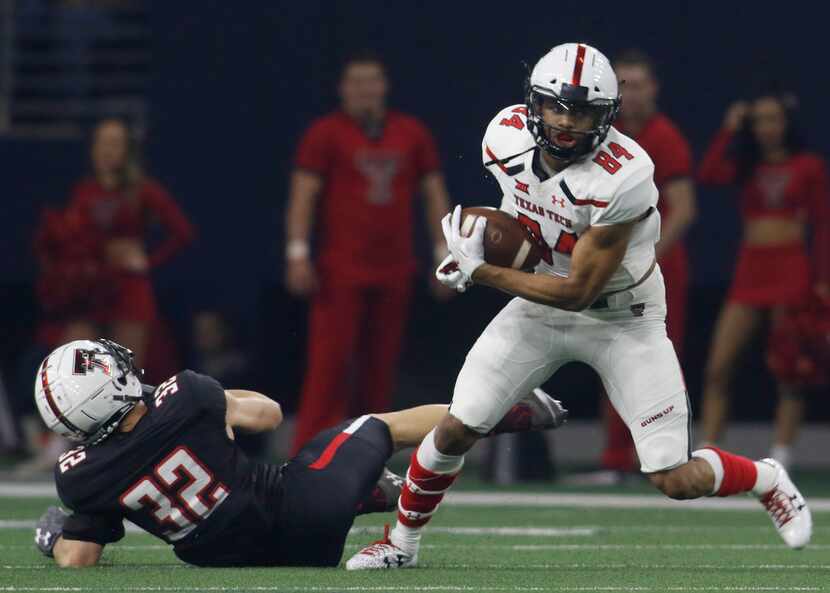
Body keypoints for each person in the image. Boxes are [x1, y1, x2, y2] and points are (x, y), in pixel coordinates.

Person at [346, 43, 812, 570]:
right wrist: (477, 250)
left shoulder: (625, 174)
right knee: (458, 425)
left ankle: (766, 477)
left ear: (607, 116)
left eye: (584, 111)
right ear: (533, 104)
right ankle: (402, 545)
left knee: (673, 478)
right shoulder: (505, 135)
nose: (567, 122)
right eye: (556, 107)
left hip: (621, 317)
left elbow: (579, 293)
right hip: (538, 302)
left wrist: (485, 271)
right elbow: (520, 212)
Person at [32, 338, 566, 568]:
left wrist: (56, 534)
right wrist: (218, 406)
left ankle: (376, 492)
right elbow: (268, 415)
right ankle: (514, 412)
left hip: (232, 560)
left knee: (316, 469)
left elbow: (80, 559)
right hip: (305, 510)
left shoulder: (81, 478)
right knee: (379, 425)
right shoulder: (185, 396)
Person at [285, 51, 453, 455]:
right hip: (340, 269)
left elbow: (433, 195)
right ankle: (309, 452)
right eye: (356, 82)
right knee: (330, 366)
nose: (365, 91)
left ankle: (365, 454)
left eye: (372, 81)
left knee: (380, 369)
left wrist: (444, 252)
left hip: (394, 268)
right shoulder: (324, 133)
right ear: (343, 89)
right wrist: (297, 252)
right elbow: (303, 195)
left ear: (384, 86)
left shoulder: (411, 133)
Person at [697, 91, 830, 468]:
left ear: (786, 122)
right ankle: (710, 454)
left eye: (773, 119)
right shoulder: (746, 165)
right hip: (751, 270)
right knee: (718, 366)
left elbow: (823, 226)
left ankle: (781, 457)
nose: (767, 128)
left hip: (792, 271)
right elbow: (709, 173)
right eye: (759, 121)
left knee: (790, 368)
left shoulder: (809, 165)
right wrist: (729, 127)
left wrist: (823, 282)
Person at [594, 49, 698, 476]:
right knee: (610, 357)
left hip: (659, 267)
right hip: (614, 263)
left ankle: (666, 456)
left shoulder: (664, 135)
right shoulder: (604, 134)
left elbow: (684, 209)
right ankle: (616, 458)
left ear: (654, 89)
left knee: (659, 361)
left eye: (638, 84)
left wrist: (645, 256)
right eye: (623, 85)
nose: (630, 93)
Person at [64, 118, 195, 366]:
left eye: (114, 143)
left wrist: (149, 260)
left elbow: (182, 232)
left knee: (124, 370)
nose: (107, 150)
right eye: (102, 143)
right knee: (81, 364)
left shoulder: (142, 190)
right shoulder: (84, 191)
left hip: (128, 287)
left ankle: (126, 405)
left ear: (127, 150)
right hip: (90, 288)